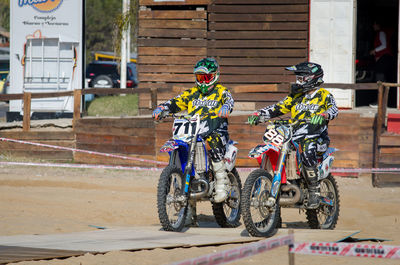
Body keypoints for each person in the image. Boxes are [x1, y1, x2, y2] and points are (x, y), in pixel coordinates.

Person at [248, 62, 338, 209]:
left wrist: (325, 115)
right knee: (276, 146)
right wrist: (259, 114)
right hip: (294, 136)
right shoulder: (295, 96)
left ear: (313, 78)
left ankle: (314, 191)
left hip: (317, 137)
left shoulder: (324, 96)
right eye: (298, 78)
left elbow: (334, 109)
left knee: (308, 148)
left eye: (302, 78)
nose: (298, 81)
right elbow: (277, 108)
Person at [152, 57, 234, 205]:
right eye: (199, 77)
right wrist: (162, 108)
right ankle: (188, 209)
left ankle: (222, 184)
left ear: (215, 76)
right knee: (183, 147)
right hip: (194, 130)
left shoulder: (221, 91)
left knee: (214, 142)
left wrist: (225, 108)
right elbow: (175, 102)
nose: (202, 81)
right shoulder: (191, 93)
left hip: (216, 129)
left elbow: (229, 100)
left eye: (206, 77)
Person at [369, 20, 396, 108]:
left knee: (379, 80)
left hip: (384, 58)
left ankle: (379, 102)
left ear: (378, 24)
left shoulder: (381, 33)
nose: (373, 26)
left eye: (374, 24)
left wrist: (374, 50)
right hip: (385, 59)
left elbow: (384, 45)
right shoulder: (381, 33)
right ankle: (383, 102)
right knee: (383, 80)